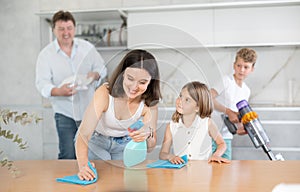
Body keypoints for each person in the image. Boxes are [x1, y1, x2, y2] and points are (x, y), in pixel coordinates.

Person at [75, 49, 162, 180]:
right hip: (96, 141)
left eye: (142, 82)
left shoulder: (150, 103)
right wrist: (83, 166)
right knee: (100, 177)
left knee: (123, 179)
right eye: (130, 78)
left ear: (151, 82)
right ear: (122, 74)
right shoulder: (105, 93)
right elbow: (83, 134)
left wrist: (147, 134)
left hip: (124, 144)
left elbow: (150, 147)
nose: (134, 87)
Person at [35, 10, 107, 159]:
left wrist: (95, 74)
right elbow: (42, 83)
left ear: (74, 28)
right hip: (65, 113)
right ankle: (66, 182)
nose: (66, 32)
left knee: (92, 152)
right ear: (54, 30)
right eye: (61, 29)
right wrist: (58, 91)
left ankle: (89, 180)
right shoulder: (46, 55)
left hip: (90, 111)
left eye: (69, 28)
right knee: (68, 154)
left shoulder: (87, 48)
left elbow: (102, 68)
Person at [159, 81, 229, 164]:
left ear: (197, 107)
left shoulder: (207, 123)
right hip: (181, 173)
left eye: (187, 100)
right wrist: (170, 156)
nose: (180, 101)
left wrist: (216, 155)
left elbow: (222, 144)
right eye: (180, 96)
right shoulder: (171, 126)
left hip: (204, 172)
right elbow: (163, 154)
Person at [210, 48, 257, 160]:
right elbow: (207, 98)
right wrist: (228, 111)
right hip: (211, 135)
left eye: (246, 67)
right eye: (239, 66)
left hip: (226, 137)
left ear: (252, 69)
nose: (241, 70)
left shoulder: (246, 91)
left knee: (225, 171)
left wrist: (240, 128)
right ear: (234, 65)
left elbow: (238, 115)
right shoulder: (226, 81)